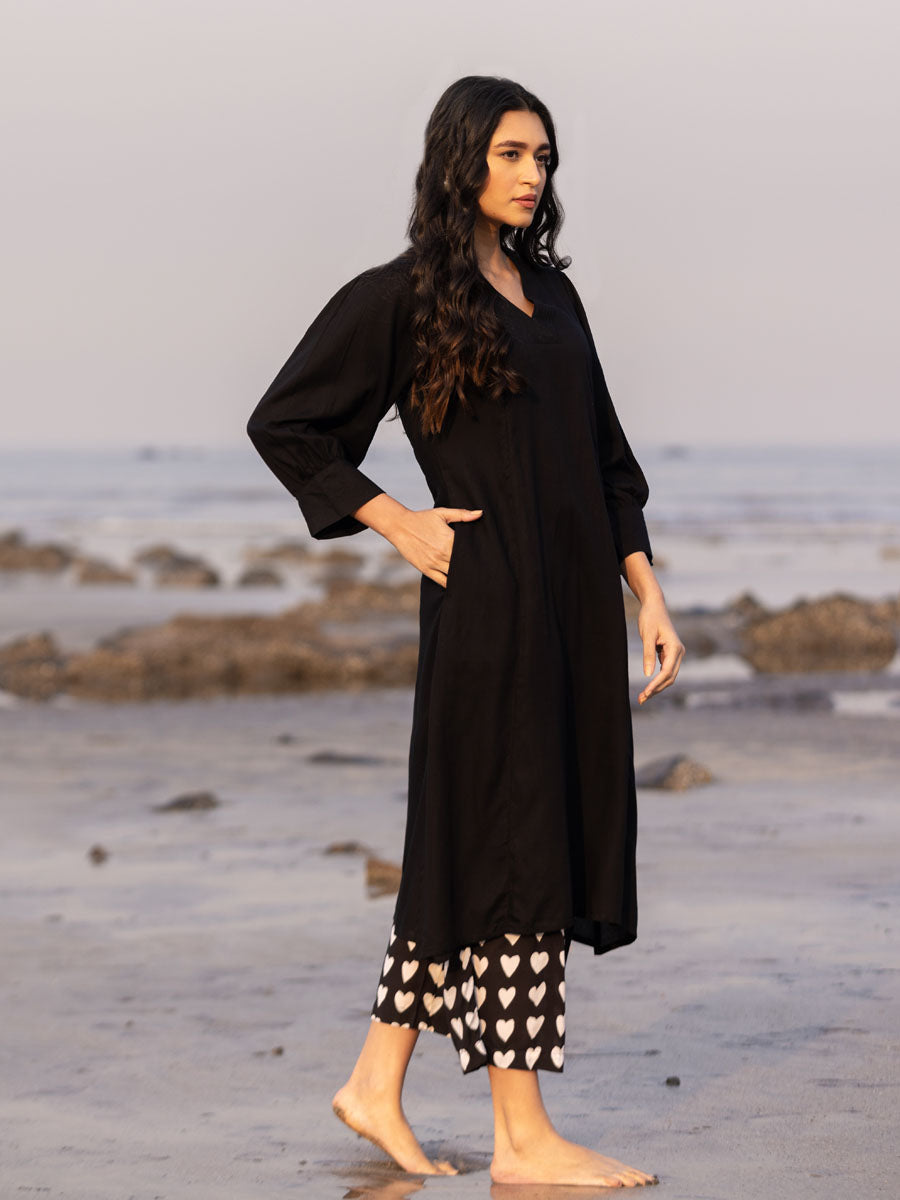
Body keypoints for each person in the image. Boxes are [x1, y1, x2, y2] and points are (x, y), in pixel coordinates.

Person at [247, 75, 684, 1189]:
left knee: (483, 840)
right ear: (462, 162)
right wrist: (396, 519)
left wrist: (646, 592)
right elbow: (287, 423)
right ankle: (521, 1136)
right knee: (512, 844)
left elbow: (608, 461)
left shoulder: (557, 300)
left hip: (575, 611)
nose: (534, 175)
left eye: (544, 157)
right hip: (488, 605)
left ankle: (376, 1083)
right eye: (511, 155)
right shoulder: (402, 298)